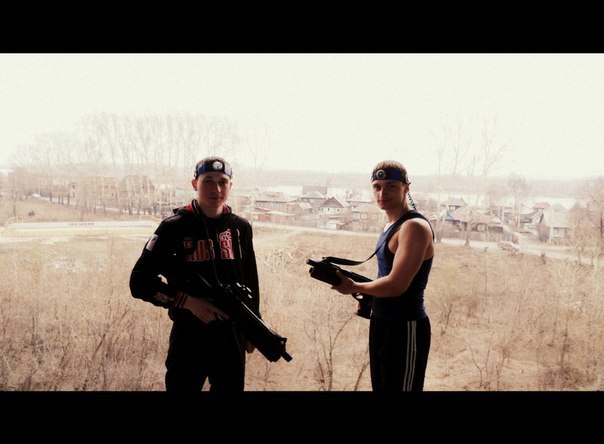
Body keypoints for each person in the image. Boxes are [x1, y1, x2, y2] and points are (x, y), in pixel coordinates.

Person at [129, 156, 260, 392]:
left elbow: (250, 281)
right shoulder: (173, 227)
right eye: (208, 181)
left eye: (222, 182)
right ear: (194, 184)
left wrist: (254, 326)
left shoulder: (240, 228)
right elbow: (139, 282)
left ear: (231, 185)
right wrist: (188, 302)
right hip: (189, 337)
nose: (216, 189)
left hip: (231, 335)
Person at [331, 160, 434, 392]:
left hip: (405, 326)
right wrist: (371, 297)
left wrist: (355, 286)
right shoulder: (391, 225)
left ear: (406, 188)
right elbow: (386, 275)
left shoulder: (414, 227)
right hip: (382, 321)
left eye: (390, 186)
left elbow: (397, 285)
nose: (382, 193)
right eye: (377, 187)